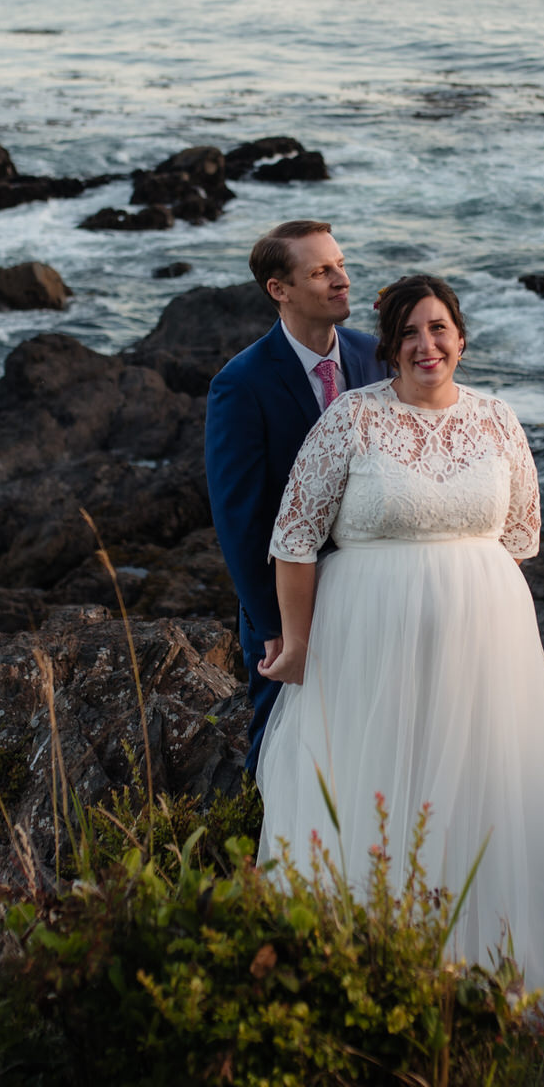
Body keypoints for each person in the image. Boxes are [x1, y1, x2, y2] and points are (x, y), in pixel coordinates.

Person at [255, 274, 544, 1052]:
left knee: (482, 792)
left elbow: (521, 533)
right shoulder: (350, 421)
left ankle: (488, 975)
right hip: (366, 645)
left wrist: (463, 593)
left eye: (437, 328)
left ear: (461, 337)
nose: (424, 345)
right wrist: (298, 642)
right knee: (380, 789)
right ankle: (380, 975)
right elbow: (294, 537)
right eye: (407, 332)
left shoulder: (499, 421)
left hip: (485, 648)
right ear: (388, 345)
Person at [205, 220, 383, 773]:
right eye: (320, 271)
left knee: (367, 735)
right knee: (282, 742)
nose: (341, 280)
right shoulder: (242, 383)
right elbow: (239, 517)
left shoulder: (375, 357)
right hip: (291, 603)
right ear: (278, 290)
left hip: (374, 591)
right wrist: (276, 624)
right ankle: (258, 853)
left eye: (341, 264)